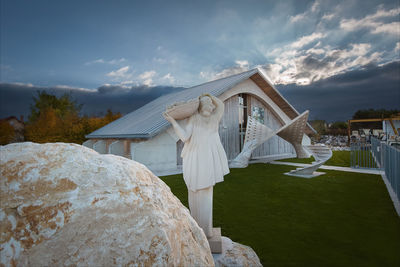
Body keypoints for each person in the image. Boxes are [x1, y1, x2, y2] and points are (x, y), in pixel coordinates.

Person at [163, 94, 229, 238]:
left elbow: (221, 105)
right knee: (193, 193)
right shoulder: (194, 119)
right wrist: (173, 121)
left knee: (205, 192)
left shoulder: (214, 120)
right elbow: (185, 137)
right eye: (207, 104)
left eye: (211, 105)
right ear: (200, 107)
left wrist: (208, 95)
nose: (211, 107)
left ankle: (206, 230)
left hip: (207, 161)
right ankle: (197, 229)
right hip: (193, 159)